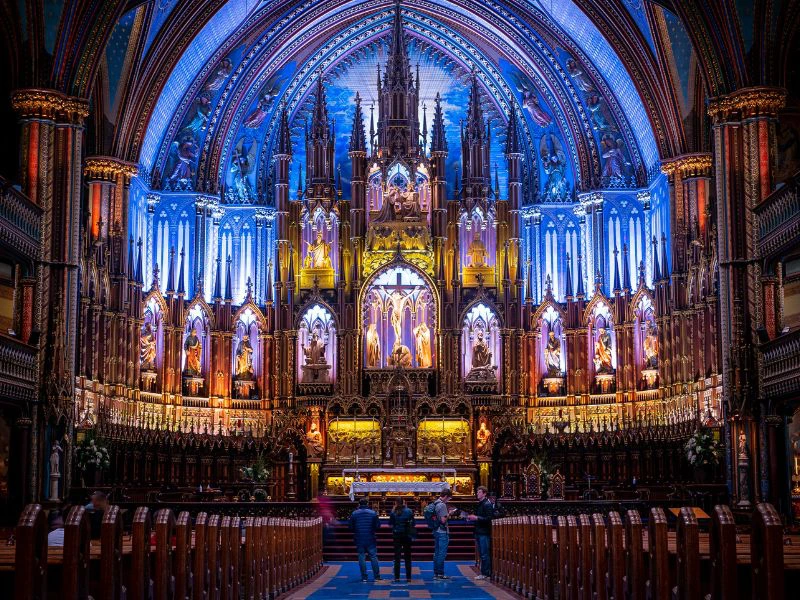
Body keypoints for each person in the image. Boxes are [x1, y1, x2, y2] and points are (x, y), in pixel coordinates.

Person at [349, 498, 381, 582]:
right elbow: (378, 526)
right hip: (370, 537)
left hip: (359, 537)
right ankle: (377, 576)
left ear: (359, 504)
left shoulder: (354, 513)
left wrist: (356, 531)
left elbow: (350, 526)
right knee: (373, 557)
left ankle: (364, 577)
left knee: (361, 556)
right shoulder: (373, 513)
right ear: (367, 504)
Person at [466, 486, 494, 579]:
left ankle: (485, 573)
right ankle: (484, 572)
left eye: (479, 492)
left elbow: (489, 518)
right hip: (479, 530)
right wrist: (472, 518)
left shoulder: (487, 504)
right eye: (477, 492)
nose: (477, 494)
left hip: (484, 532)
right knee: (482, 553)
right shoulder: (481, 503)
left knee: (484, 553)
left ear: (484, 493)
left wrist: (477, 518)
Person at [388, 499, 415, 582]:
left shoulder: (393, 512)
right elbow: (413, 523)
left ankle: (397, 577)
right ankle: (409, 577)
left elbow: (390, 524)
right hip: (407, 535)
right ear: (404, 503)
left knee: (397, 557)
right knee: (408, 556)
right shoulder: (409, 511)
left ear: (395, 503)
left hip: (397, 534)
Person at [432, 488, 453, 580]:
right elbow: (443, 520)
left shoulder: (435, 503)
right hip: (442, 531)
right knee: (441, 553)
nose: (448, 500)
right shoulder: (442, 505)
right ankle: (440, 574)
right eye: (448, 498)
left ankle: (436, 573)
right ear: (445, 496)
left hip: (436, 530)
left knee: (437, 553)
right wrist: (449, 513)